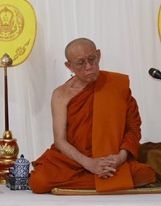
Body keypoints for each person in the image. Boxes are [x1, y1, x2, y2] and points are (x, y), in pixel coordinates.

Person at [29, 38, 156, 193]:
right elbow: (60, 141)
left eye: (91, 59)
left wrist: (120, 158)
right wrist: (89, 163)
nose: (89, 67)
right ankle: (111, 180)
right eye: (80, 63)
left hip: (111, 158)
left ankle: (105, 177)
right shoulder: (61, 94)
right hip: (74, 160)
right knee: (39, 181)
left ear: (98, 55)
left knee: (145, 174)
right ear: (69, 66)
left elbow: (133, 128)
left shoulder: (117, 84)